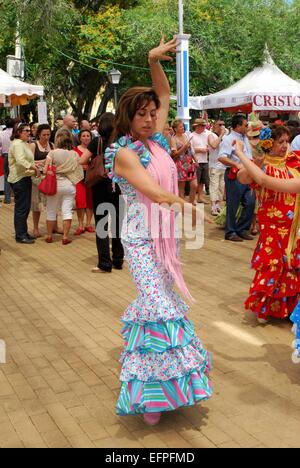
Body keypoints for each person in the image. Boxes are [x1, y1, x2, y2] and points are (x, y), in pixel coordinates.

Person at [104, 37, 212, 426]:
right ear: (128, 118)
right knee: (158, 309)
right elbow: (150, 190)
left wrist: (152, 60)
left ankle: (169, 387)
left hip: (165, 239)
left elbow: (165, 91)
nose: (150, 119)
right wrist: (185, 205)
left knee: (165, 308)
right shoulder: (125, 152)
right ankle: (150, 393)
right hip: (140, 240)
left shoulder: (158, 142)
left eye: (153, 113)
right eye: (142, 114)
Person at [235, 126, 300, 324]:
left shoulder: (293, 164)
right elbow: (243, 177)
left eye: (287, 141)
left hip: (292, 227)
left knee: (290, 266)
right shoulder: (263, 166)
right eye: (280, 142)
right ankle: (264, 307)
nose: (285, 146)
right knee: (273, 264)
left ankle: (287, 307)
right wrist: (252, 161)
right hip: (271, 225)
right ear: (269, 144)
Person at [80, 113, 124, 273]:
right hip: (118, 186)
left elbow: (82, 160)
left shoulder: (96, 142)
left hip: (99, 187)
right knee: (118, 225)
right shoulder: (121, 142)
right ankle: (118, 259)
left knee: (102, 225)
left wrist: (94, 163)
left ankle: (104, 263)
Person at [218, 114, 256, 242]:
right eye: (246, 125)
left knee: (250, 202)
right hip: (235, 175)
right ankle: (231, 231)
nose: (247, 127)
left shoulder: (245, 138)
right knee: (233, 204)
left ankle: (242, 229)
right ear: (238, 125)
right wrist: (236, 164)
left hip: (248, 174)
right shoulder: (228, 139)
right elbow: (221, 157)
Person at [44, 129, 84, 245]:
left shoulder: (52, 153)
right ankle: (65, 237)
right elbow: (79, 171)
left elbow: (46, 170)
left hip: (55, 185)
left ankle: (49, 235)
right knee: (67, 211)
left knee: (51, 210)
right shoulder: (74, 154)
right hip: (69, 186)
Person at [8, 124, 41, 244]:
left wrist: (34, 166)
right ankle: (20, 235)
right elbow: (21, 160)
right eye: (26, 130)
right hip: (19, 179)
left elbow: (27, 160)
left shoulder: (23, 143)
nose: (29, 132)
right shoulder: (17, 144)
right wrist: (34, 167)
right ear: (19, 132)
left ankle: (23, 232)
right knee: (22, 208)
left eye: (29, 130)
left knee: (25, 207)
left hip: (25, 177)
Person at [29, 124, 54, 238]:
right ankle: (35, 228)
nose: (46, 137)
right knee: (36, 204)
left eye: (48, 134)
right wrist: (43, 161)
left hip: (50, 178)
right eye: (44, 134)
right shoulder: (33, 145)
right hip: (37, 179)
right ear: (38, 134)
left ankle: (54, 226)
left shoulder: (52, 146)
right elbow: (29, 162)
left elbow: (54, 161)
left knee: (52, 203)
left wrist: (42, 162)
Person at [170, 119, 197, 204]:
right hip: (180, 164)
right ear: (175, 129)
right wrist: (184, 147)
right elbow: (174, 154)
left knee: (194, 185)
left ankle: (192, 202)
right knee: (181, 186)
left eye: (183, 126)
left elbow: (191, 151)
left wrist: (195, 160)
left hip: (190, 162)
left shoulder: (186, 136)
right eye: (180, 126)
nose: (182, 128)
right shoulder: (173, 139)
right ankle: (182, 205)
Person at [73, 129, 94, 235]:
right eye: (84, 136)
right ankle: (80, 224)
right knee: (80, 201)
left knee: (90, 201)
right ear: (80, 138)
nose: (86, 138)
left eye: (88, 136)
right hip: (79, 179)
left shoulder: (94, 148)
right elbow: (73, 163)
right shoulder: (75, 150)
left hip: (91, 178)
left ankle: (88, 224)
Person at [190, 118, 211, 204]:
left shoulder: (206, 135)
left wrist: (206, 149)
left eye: (204, 125)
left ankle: (200, 197)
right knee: (196, 181)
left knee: (202, 180)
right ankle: (193, 198)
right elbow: (190, 149)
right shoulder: (191, 135)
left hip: (204, 160)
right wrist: (201, 150)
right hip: (196, 161)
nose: (203, 127)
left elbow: (209, 145)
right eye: (202, 126)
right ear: (197, 126)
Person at [208, 120, 226, 215]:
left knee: (221, 187)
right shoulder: (211, 135)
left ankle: (218, 205)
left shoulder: (224, 137)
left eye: (223, 124)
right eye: (219, 125)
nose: (222, 126)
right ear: (214, 126)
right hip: (214, 166)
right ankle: (213, 207)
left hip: (223, 166)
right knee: (214, 186)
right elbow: (214, 145)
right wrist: (221, 135)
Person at [0, 118, 14, 204]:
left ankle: (7, 198)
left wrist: (1, 152)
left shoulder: (1, 133)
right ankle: (16, 197)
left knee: (6, 177)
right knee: (16, 176)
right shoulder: (16, 133)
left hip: (5, 155)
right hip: (15, 156)